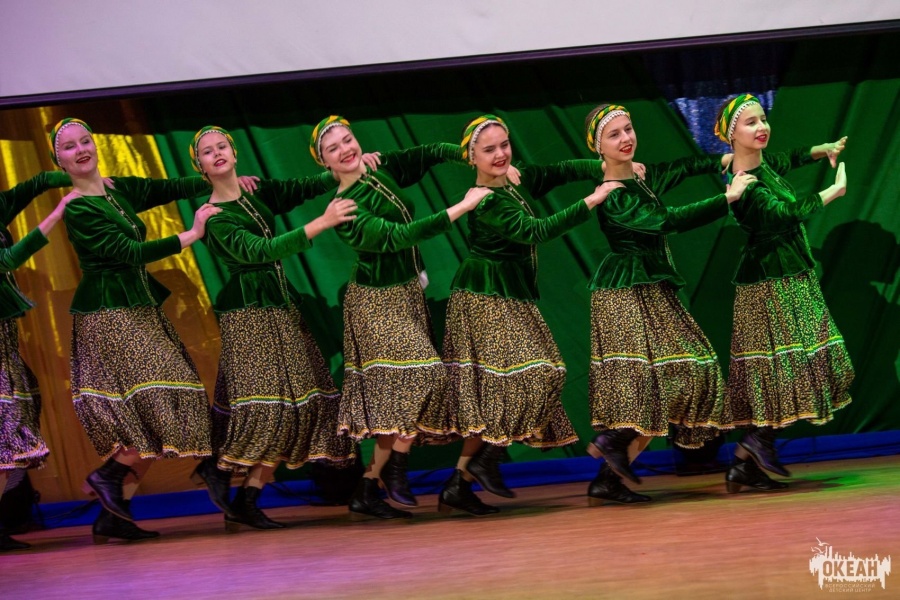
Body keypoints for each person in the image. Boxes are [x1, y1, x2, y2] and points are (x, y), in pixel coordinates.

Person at [50, 118, 245, 544]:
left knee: (157, 414)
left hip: (139, 309)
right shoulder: (78, 208)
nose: (81, 150)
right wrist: (192, 234)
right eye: (70, 147)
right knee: (166, 399)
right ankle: (111, 473)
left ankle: (113, 515)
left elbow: (167, 188)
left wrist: (216, 176)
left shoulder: (116, 189)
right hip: (110, 314)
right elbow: (128, 251)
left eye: (86, 141)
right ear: (59, 160)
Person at [431, 114, 624, 515]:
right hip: (484, 295)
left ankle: (459, 484)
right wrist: (593, 199)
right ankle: (486, 458)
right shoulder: (487, 200)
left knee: (503, 393)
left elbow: (558, 171)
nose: (500, 154)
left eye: (504, 145)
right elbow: (535, 230)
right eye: (489, 150)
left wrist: (605, 164)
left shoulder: (513, 181)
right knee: (541, 373)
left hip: (510, 293)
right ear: (472, 157)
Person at [309, 115, 490, 520]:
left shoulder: (379, 168)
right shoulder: (344, 208)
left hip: (407, 294)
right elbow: (397, 237)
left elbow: (428, 152)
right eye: (333, 148)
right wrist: (462, 206)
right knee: (425, 375)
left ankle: (368, 487)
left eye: (347, 140)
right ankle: (396, 469)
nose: (345, 149)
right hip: (375, 301)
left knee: (400, 398)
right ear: (324, 162)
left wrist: (472, 155)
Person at [189, 125, 363, 531]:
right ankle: (228, 477)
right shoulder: (215, 216)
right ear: (200, 166)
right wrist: (322, 223)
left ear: (234, 153)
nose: (217, 153)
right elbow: (260, 251)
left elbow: (300, 187)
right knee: (271, 409)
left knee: (298, 406)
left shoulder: (254, 192)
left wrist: (341, 167)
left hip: (279, 307)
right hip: (250, 314)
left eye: (221, 146)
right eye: (207, 152)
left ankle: (241, 491)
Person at [583, 103, 755, 505]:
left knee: (694, 370)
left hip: (654, 289)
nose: (626, 138)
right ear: (597, 147)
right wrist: (727, 198)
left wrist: (728, 158)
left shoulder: (642, 178)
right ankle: (613, 452)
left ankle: (610, 467)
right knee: (644, 384)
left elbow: (684, 166)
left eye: (628, 129)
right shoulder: (614, 195)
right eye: (614, 134)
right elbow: (667, 220)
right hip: (623, 292)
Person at [713, 94, 853, 492]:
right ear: (731, 134)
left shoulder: (761, 164)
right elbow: (784, 215)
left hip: (788, 276)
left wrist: (821, 149)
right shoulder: (745, 182)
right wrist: (833, 191)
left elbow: (787, 158)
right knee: (787, 369)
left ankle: (746, 461)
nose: (761, 127)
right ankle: (756, 444)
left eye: (763, 119)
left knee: (793, 368)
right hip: (770, 284)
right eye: (750, 123)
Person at [0, 170, 73, 551]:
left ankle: (6, 519)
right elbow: (7, 259)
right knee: (7, 427)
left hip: (5, 339)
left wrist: (76, 172)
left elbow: (34, 184)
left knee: (14, 426)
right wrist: (57, 214)